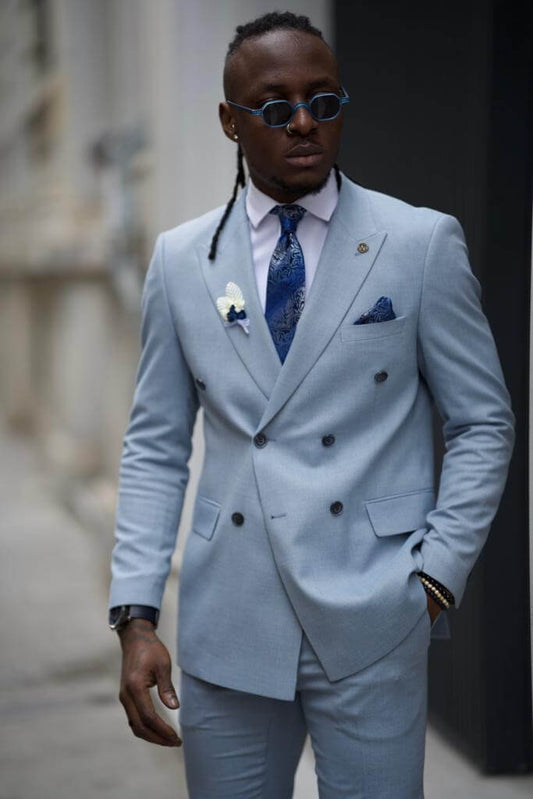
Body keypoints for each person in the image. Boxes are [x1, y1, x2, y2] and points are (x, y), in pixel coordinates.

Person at [108, 11, 515, 798]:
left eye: (323, 102)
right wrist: (137, 612)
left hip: (374, 611)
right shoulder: (181, 260)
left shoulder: (418, 242)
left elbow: (481, 420)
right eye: (275, 105)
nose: (303, 122)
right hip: (230, 618)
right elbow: (155, 443)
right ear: (230, 121)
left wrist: (434, 576)